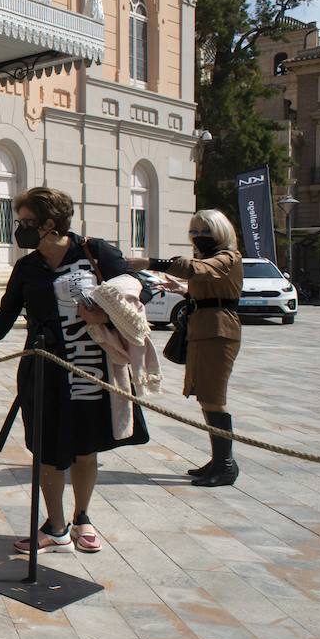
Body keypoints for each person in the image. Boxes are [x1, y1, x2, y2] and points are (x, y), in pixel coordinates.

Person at [0, 187, 148, 554]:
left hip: (91, 369)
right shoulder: (27, 268)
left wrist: (104, 314)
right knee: (47, 451)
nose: (18, 229)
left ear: (50, 224)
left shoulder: (95, 252)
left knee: (86, 449)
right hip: (44, 369)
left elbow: (139, 291)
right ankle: (56, 526)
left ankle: (83, 518)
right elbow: (7, 312)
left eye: (26, 222)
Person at [128, 209, 243, 487]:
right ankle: (220, 459)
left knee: (213, 396)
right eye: (195, 231)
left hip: (217, 331)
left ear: (221, 232)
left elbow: (195, 269)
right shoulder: (211, 260)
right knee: (205, 394)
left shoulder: (227, 258)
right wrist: (181, 290)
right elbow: (202, 282)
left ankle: (225, 465)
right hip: (204, 328)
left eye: (206, 231)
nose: (199, 237)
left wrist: (150, 262)